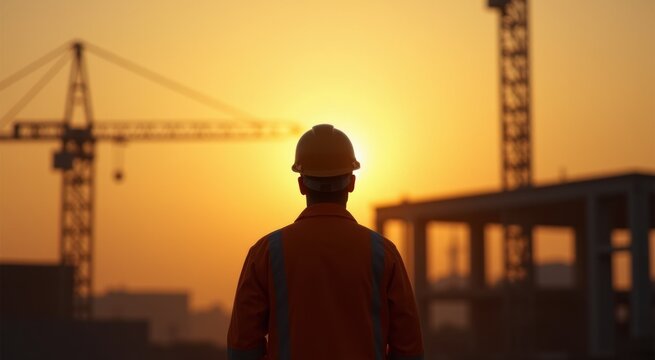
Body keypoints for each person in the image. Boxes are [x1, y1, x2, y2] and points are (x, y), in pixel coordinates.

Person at [227, 124, 423, 360]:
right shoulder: (383, 253)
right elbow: (409, 350)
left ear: (301, 185)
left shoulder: (266, 252)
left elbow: (242, 348)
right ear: (351, 183)